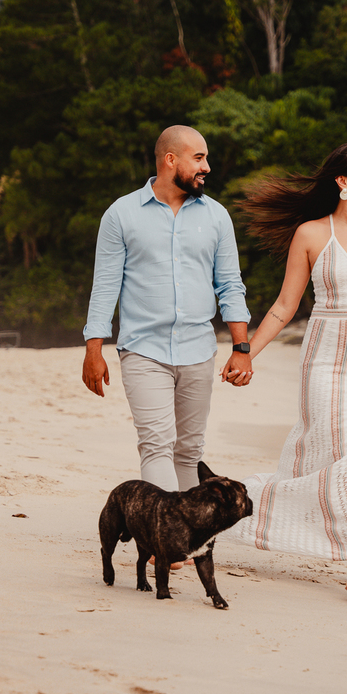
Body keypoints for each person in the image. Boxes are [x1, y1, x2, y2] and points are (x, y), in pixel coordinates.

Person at [224, 142, 347, 602]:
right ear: (342, 180)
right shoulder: (311, 234)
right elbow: (284, 306)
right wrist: (245, 351)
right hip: (327, 360)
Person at [82, 125, 253, 500]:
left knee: (189, 450)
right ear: (170, 159)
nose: (207, 167)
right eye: (199, 158)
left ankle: (184, 526)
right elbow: (105, 286)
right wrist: (93, 349)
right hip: (143, 349)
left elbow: (230, 285)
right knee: (156, 444)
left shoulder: (217, 216)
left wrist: (241, 348)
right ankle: (165, 530)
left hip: (198, 349)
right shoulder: (121, 214)